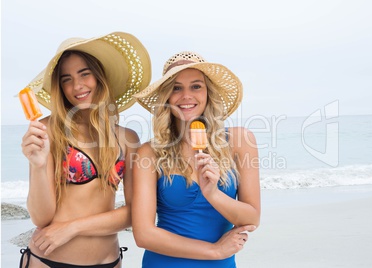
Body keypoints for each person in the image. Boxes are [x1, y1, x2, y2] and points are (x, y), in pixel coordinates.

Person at [19, 32, 151, 268]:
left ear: (100, 77)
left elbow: (134, 213)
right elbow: (41, 217)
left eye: (84, 74)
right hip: (48, 261)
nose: (77, 86)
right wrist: (38, 165)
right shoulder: (47, 130)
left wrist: (72, 228)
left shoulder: (128, 138)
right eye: (66, 79)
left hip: (109, 262)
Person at [131, 51, 261, 267]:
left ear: (208, 92)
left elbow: (251, 218)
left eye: (196, 86)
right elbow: (144, 235)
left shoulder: (240, 140)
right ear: (167, 98)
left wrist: (213, 194)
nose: (186, 96)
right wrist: (215, 251)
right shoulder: (149, 152)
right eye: (176, 88)